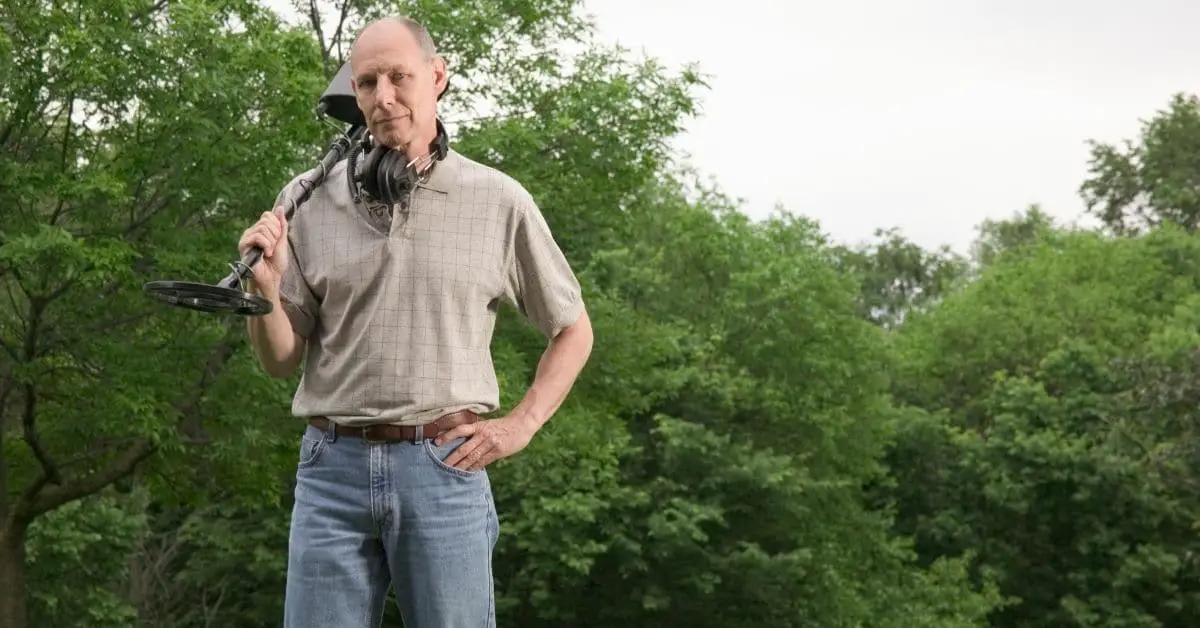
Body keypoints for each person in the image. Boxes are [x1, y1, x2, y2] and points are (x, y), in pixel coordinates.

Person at [236, 15, 594, 628]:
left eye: (399, 77)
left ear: (437, 76)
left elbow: (573, 329)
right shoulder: (307, 198)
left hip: (444, 468)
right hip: (330, 473)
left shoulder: (499, 201)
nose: (384, 96)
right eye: (368, 81)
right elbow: (279, 361)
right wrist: (265, 292)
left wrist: (520, 427)